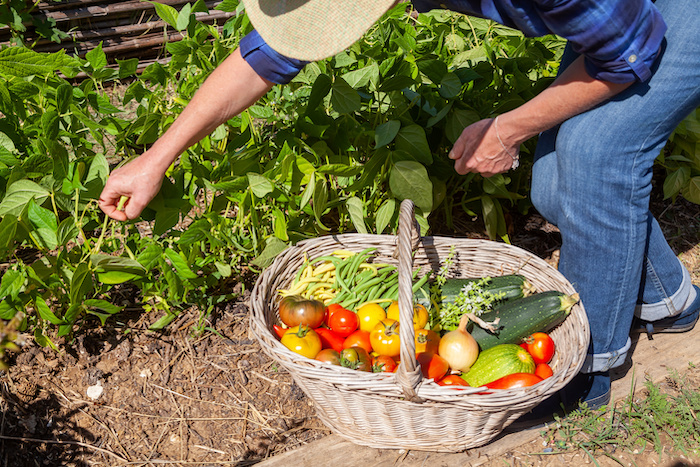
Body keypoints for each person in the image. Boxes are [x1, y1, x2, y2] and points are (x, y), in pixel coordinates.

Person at [99, 0, 700, 411]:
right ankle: (670, 300)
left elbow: (628, 53)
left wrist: (508, 128)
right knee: (552, 183)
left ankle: (594, 365)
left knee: (596, 157)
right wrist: (158, 156)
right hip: (619, 12)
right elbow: (266, 57)